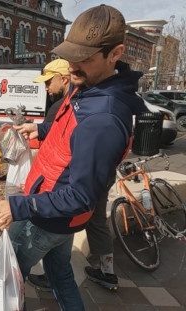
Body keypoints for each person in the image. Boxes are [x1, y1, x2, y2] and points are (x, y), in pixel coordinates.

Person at [0, 4, 147, 310]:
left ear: (115, 53)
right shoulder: (90, 86)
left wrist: (17, 206)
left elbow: (82, 196)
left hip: (45, 218)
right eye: (70, 54)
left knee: (0, 284)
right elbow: (72, 132)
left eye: (83, 56)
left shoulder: (103, 119)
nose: (72, 65)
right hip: (56, 216)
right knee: (60, 275)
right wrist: (41, 128)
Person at [27, 59, 120, 292]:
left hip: (68, 188)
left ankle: (53, 276)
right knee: (95, 220)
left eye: (49, 81)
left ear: (65, 79)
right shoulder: (84, 102)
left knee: (53, 233)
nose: (46, 87)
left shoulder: (68, 106)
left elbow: (56, 150)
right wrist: (38, 129)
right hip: (97, 178)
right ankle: (107, 271)